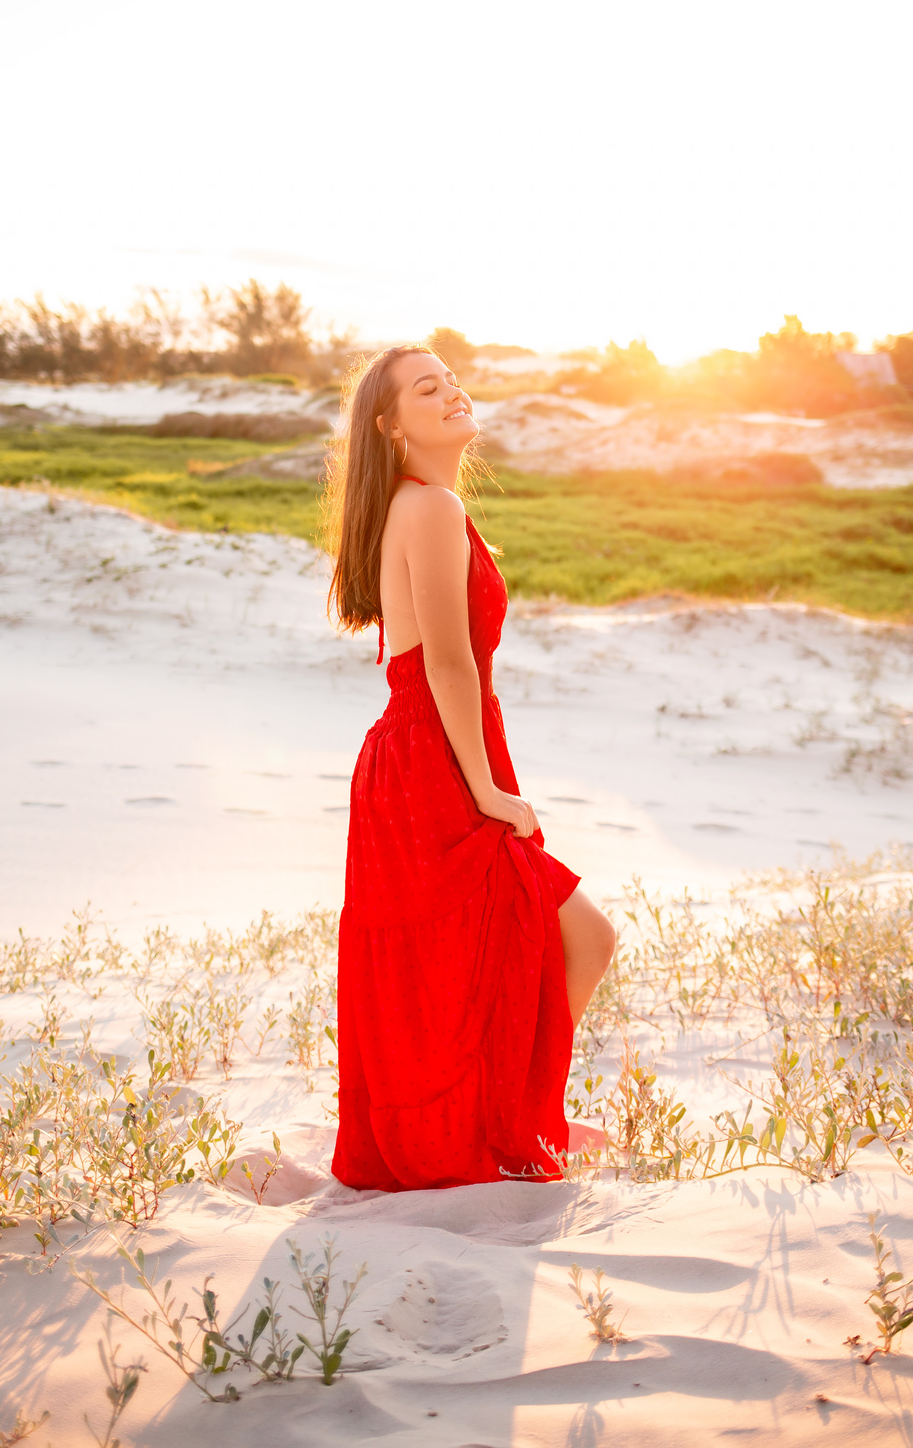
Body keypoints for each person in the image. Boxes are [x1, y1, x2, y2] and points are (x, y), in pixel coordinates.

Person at [325, 343, 617, 1191]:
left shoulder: (426, 506)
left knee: (500, 955)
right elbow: (445, 665)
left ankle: (517, 1118)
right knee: (573, 937)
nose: (452, 392)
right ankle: (509, 1126)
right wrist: (485, 788)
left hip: (428, 750)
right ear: (390, 425)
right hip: (434, 761)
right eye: (427, 388)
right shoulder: (431, 507)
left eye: (451, 380)